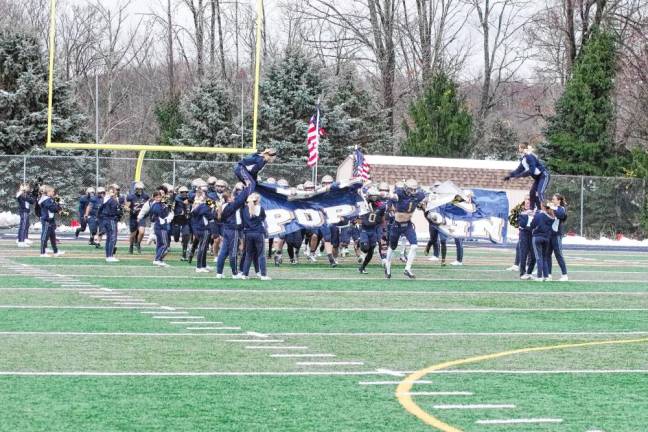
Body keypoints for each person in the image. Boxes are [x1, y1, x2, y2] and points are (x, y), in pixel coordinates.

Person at [384, 179, 428, 279]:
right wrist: (388, 195)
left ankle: (407, 269)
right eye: (411, 189)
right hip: (397, 225)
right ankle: (388, 267)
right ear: (405, 188)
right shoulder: (400, 193)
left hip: (407, 224)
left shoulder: (418, 195)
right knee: (392, 247)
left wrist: (423, 203)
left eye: (414, 190)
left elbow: (426, 198)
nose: (413, 192)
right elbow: (393, 196)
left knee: (414, 246)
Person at [504, 139, 550, 210]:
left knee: (539, 192)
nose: (518, 149)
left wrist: (519, 176)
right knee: (532, 192)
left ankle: (546, 209)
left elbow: (532, 170)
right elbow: (518, 170)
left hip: (544, 175)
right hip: (538, 178)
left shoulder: (529, 157)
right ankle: (533, 209)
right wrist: (509, 176)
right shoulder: (524, 159)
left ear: (523, 149)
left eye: (519, 147)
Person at [240, 193, 270, 280]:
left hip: (248, 234)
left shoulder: (244, 209)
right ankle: (263, 275)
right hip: (258, 233)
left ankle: (244, 274)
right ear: (257, 201)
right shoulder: (260, 208)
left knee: (248, 254)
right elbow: (263, 219)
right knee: (261, 255)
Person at [357, 187, 387, 274]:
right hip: (365, 229)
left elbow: (382, 217)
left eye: (375, 196)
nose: (374, 198)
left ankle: (362, 267)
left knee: (371, 251)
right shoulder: (363, 204)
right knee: (365, 248)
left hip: (374, 229)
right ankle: (359, 243)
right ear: (368, 196)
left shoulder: (381, 206)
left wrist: (384, 228)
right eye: (372, 196)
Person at [190, 190, 215, 273]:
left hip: (201, 229)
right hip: (203, 229)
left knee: (203, 248)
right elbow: (209, 216)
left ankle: (203, 265)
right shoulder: (206, 206)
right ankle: (199, 266)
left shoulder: (203, 205)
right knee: (202, 247)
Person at [530, 202, 555, 282]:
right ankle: (546, 276)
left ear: (542, 206)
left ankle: (539, 276)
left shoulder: (539, 215)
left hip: (537, 237)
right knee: (544, 258)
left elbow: (532, 225)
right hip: (546, 239)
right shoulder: (552, 217)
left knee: (538, 258)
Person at [38, 186, 65, 257]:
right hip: (47, 220)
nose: (53, 193)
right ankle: (42, 252)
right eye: (52, 191)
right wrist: (59, 205)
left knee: (53, 236)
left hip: (50, 220)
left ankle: (55, 251)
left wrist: (58, 204)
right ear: (48, 192)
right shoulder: (46, 200)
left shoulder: (49, 199)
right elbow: (52, 208)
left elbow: (54, 207)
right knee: (45, 236)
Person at [149, 190, 173, 267]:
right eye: (157, 197)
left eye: (160, 196)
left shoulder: (161, 204)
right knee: (165, 244)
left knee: (159, 244)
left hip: (161, 226)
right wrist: (168, 215)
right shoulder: (156, 205)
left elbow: (168, 209)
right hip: (160, 226)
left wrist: (168, 207)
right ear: (154, 197)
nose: (159, 198)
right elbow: (162, 214)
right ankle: (157, 259)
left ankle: (159, 259)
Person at [98, 184, 122, 263]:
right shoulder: (111, 200)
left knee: (109, 238)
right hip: (111, 219)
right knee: (112, 237)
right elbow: (115, 211)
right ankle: (110, 256)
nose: (114, 193)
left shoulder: (105, 199)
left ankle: (108, 255)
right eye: (112, 191)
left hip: (106, 219)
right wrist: (118, 214)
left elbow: (100, 210)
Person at [548, 193, 569, 281]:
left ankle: (564, 275)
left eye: (554, 199)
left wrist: (552, 208)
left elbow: (560, 215)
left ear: (559, 200)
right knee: (547, 254)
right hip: (549, 234)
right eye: (552, 199)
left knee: (558, 254)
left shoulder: (561, 209)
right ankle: (548, 274)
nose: (552, 201)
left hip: (556, 235)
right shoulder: (552, 208)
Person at [516, 197, 536, 280]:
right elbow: (522, 225)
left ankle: (529, 272)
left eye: (529, 203)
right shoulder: (522, 214)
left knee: (534, 255)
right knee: (523, 254)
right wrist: (526, 214)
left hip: (533, 235)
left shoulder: (535, 214)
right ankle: (522, 273)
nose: (527, 205)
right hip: (524, 235)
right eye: (526, 203)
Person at [127, 182, 149, 254]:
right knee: (133, 234)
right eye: (137, 189)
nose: (139, 190)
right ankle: (131, 246)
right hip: (133, 217)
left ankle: (138, 243)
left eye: (140, 189)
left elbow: (148, 205)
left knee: (142, 232)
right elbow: (126, 207)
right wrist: (131, 210)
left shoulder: (146, 196)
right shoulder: (131, 197)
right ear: (135, 189)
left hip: (141, 216)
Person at [172, 186, 192, 261]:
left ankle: (184, 254)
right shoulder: (176, 199)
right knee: (176, 239)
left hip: (185, 221)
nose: (184, 194)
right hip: (176, 221)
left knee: (186, 235)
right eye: (182, 192)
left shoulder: (190, 199)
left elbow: (202, 201)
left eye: (186, 192)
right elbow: (171, 202)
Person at [15, 183, 35, 247]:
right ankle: (21, 241)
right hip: (23, 211)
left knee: (26, 225)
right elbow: (17, 196)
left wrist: (29, 193)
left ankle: (24, 238)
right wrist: (22, 191)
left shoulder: (26, 194)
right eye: (26, 186)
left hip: (26, 211)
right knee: (23, 226)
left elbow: (32, 201)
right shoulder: (20, 194)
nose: (27, 187)